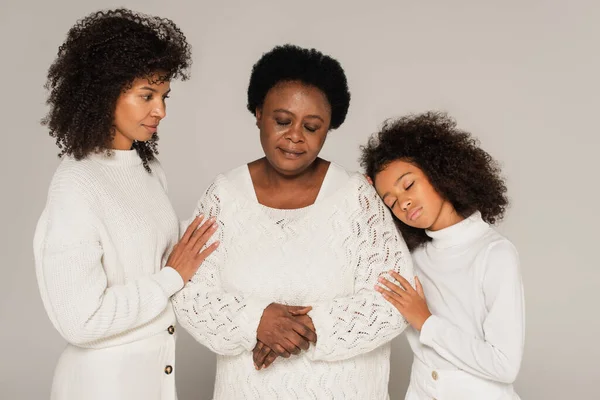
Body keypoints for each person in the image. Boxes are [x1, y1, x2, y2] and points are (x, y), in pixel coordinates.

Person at [172, 44, 414, 399]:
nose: (295, 136)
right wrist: (255, 321)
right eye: (282, 121)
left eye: (312, 127)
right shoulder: (223, 198)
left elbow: (395, 300)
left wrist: (309, 326)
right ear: (258, 113)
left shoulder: (356, 198)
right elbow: (189, 293)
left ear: (328, 129)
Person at [34, 8, 218, 400]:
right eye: (146, 96)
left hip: (151, 381)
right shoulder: (77, 184)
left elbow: (164, 262)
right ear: (104, 93)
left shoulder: (148, 167)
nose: (161, 111)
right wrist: (172, 276)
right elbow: (81, 321)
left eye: (164, 96)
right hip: (101, 386)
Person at [362, 112, 525, 399]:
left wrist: (426, 322)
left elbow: (504, 365)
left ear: (438, 171)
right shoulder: (409, 257)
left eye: (409, 185)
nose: (404, 202)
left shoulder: (494, 253)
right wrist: (363, 195)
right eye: (391, 201)